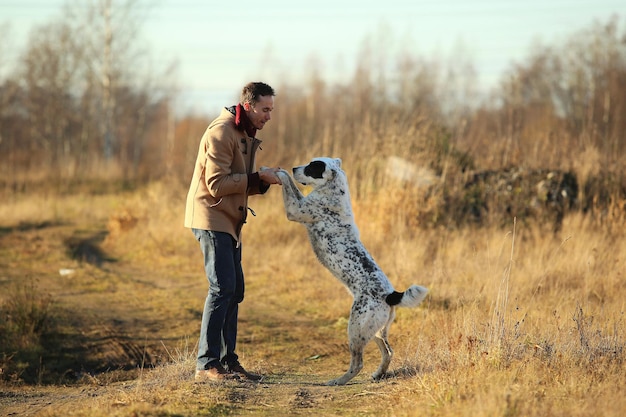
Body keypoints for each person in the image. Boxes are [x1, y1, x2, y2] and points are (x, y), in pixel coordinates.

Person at [184, 82, 282, 382]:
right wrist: (255, 176)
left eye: (271, 110)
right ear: (249, 105)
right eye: (265, 109)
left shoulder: (244, 132)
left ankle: (227, 362)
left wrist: (264, 180)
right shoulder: (222, 132)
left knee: (235, 290)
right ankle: (206, 365)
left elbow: (240, 183)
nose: (268, 116)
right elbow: (216, 185)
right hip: (211, 218)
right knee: (222, 288)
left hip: (230, 222)